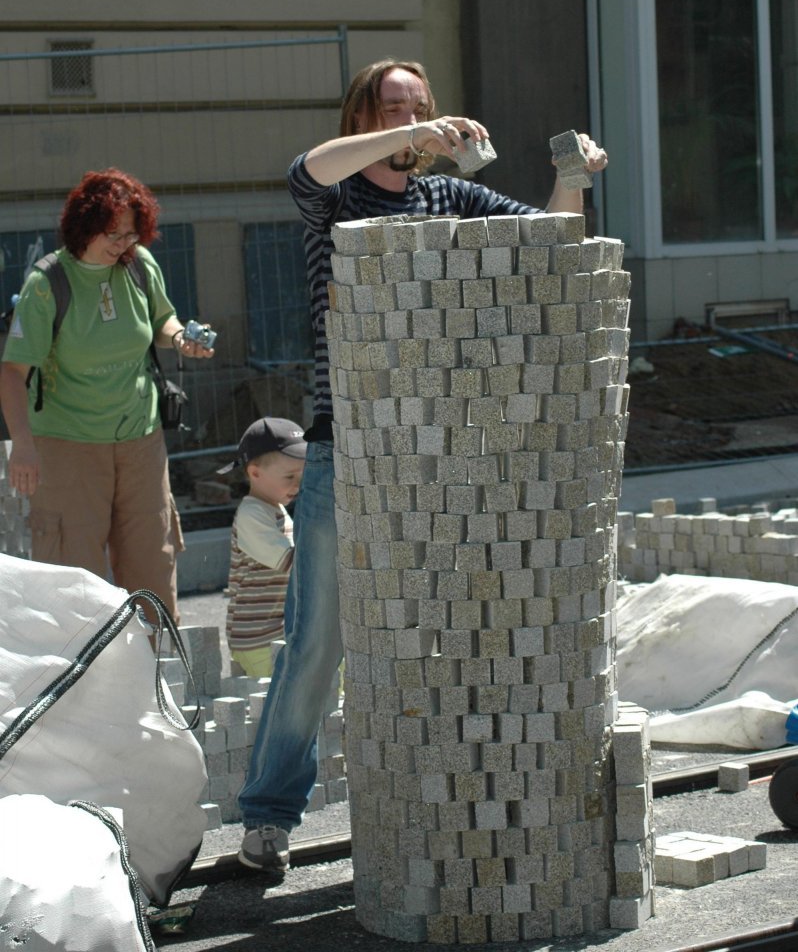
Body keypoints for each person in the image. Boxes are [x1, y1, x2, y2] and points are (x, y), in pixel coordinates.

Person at [237, 58, 609, 874]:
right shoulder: (335, 195)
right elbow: (307, 167)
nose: (411, 118)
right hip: (347, 440)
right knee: (320, 639)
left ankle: (446, 817)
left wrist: (571, 174)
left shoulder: (451, 195)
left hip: (441, 447)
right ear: (367, 114)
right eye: (392, 107)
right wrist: (413, 135)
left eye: (420, 106)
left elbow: (549, 240)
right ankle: (267, 817)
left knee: (449, 629)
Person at [0, 167, 215, 623]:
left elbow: (163, 322)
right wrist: (22, 443)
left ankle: (154, 672)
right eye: (112, 234)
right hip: (68, 445)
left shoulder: (139, 264)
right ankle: (83, 683)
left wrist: (181, 340)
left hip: (141, 440)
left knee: (152, 564)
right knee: (74, 576)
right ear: (85, 226)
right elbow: (12, 371)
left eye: (130, 235)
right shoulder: (47, 284)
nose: (121, 245)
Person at [220, 416, 306, 682]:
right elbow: (293, 562)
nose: (298, 484)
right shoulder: (252, 515)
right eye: (290, 476)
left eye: (303, 475)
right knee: (274, 702)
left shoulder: (275, 508)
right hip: (259, 638)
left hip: (276, 632)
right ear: (255, 473)